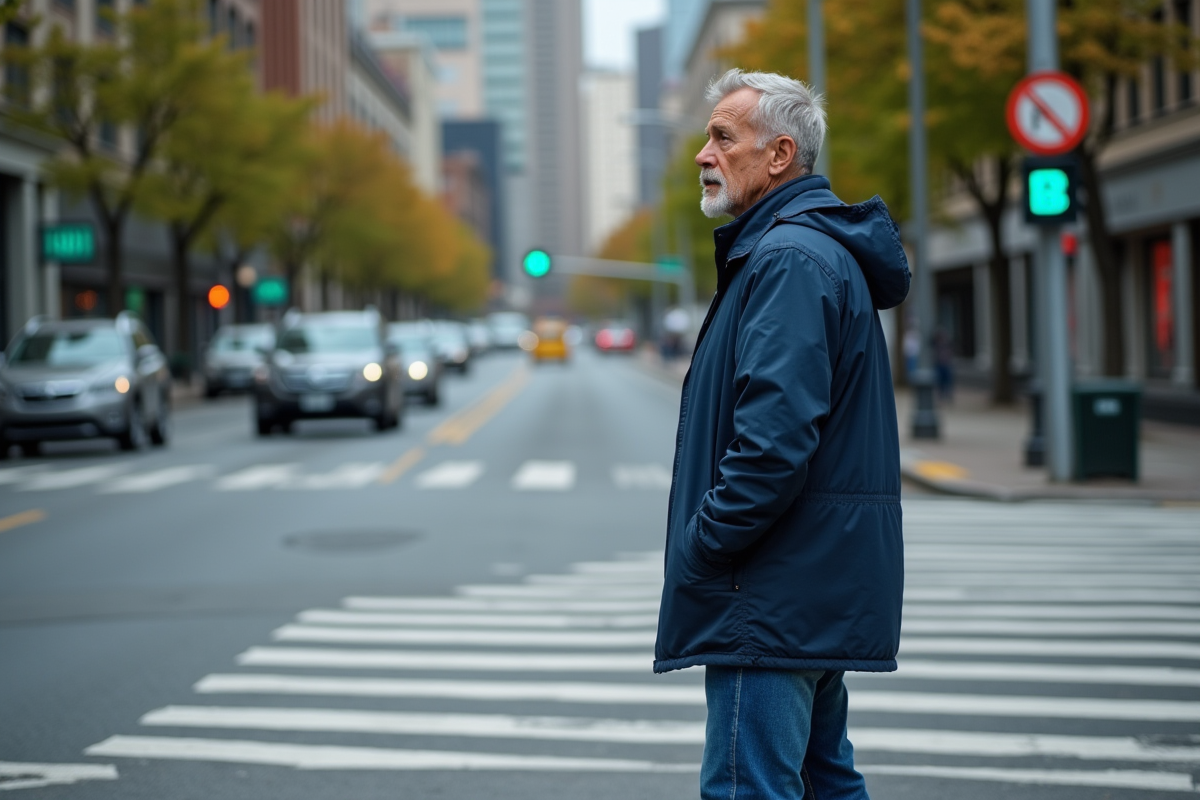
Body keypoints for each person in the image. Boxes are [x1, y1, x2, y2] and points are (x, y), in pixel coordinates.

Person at [654, 69, 909, 800]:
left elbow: (772, 444)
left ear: (779, 155)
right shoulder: (800, 252)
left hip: (766, 593)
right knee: (826, 782)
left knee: (748, 787)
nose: (703, 154)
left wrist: (704, 546)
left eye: (722, 137)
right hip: (801, 584)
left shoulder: (788, 260)